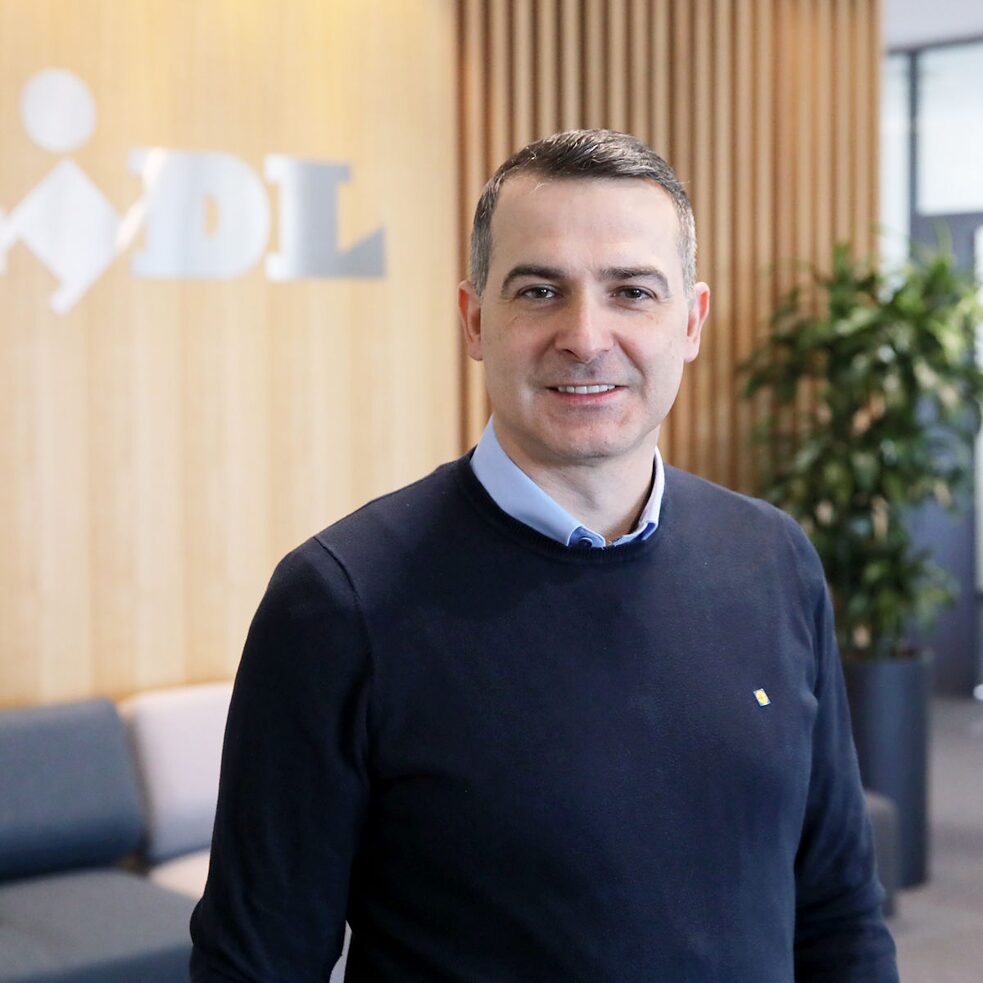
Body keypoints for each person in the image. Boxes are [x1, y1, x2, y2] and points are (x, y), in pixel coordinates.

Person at [190, 129, 899, 981]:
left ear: (690, 321)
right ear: (474, 320)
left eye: (631, 291)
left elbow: (836, 910)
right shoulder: (338, 604)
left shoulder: (773, 559)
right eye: (539, 290)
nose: (585, 335)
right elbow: (256, 966)